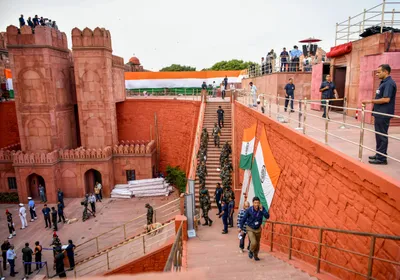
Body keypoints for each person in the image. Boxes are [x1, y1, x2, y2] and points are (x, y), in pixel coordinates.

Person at [362, 64, 397, 165]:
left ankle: (382, 158)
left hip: (383, 113)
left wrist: (370, 101)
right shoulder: (383, 83)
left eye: (379, 72)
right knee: (378, 135)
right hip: (379, 113)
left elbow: (386, 99)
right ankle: (379, 154)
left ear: (386, 72)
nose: (377, 74)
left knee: (382, 135)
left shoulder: (389, 83)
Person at [240, 196, 270, 261]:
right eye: (255, 203)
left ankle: (255, 255)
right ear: (253, 203)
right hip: (250, 228)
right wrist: (240, 227)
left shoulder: (261, 208)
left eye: (257, 203)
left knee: (257, 244)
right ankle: (251, 251)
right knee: (253, 242)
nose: (256, 204)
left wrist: (263, 211)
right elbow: (244, 218)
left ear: (259, 203)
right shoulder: (249, 210)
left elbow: (267, 216)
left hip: (258, 228)